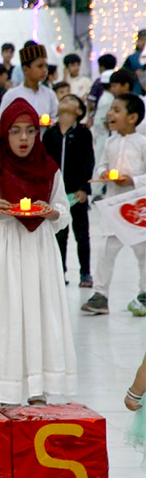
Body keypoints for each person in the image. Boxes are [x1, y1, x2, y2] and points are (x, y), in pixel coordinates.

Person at [0, 99, 76, 406]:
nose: (24, 139)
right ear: (4, 134)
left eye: (30, 131)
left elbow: (63, 210)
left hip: (39, 247)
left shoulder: (49, 170)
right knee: (8, 311)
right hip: (6, 248)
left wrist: (52, 213)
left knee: (39, 309)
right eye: (15, 131)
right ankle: (8, 385)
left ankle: (37, 385)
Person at [81, 94, 146, 315]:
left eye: (116, 110)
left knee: (144, 254)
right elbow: (101, 166)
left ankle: (144, 294)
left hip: (137, 208)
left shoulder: (142, 143)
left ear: (132, 117)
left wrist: (133, 181)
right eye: (111, 110)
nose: (110, 114)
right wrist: (105, 174)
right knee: (106, 252)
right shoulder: (110, 141)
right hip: (115, 207)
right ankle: (101, 295)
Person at [43, 95, 95, 288]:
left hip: (76, 192)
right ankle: (59, 271)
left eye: (70, 99)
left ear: (79, 111)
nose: (64, 101)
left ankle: (85, 273)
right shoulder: (50, 134)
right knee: (59, 233)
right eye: (62, 99)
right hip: (56, 193)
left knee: (82, 233)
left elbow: (88, 161)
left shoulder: (83, 133)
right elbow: (45, 163)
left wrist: (84, 188)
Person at [0, 43, 58, 123]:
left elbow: (57, 120)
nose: (45, 70)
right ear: (26, 70)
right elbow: (1, 124)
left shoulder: (50, 94)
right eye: (40, 66)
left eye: (46, 66)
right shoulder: (11, 96)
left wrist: (45, 122)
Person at [121, 29, 146, 95]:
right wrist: (135, 74)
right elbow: (123, 74)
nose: (144, 43)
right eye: (141, 40)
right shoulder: (132, 58)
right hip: (136, 93)